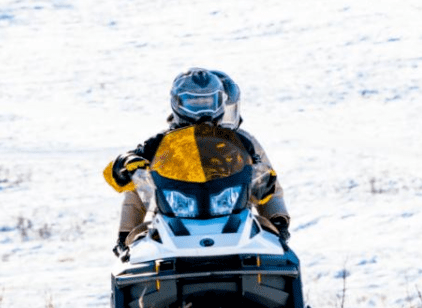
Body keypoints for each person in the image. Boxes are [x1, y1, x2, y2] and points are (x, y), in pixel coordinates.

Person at [103, 68, 291, 260]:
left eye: (212, 103)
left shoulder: (243, 142)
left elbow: (267, 179)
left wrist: (278, 220)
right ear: (178, 104)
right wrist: (125, 233)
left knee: (271, 240)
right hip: (174, 216)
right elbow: (135, 182)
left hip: (235, 214)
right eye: (195, 103)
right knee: (138, 236)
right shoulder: (164, 145)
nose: (204, 114)